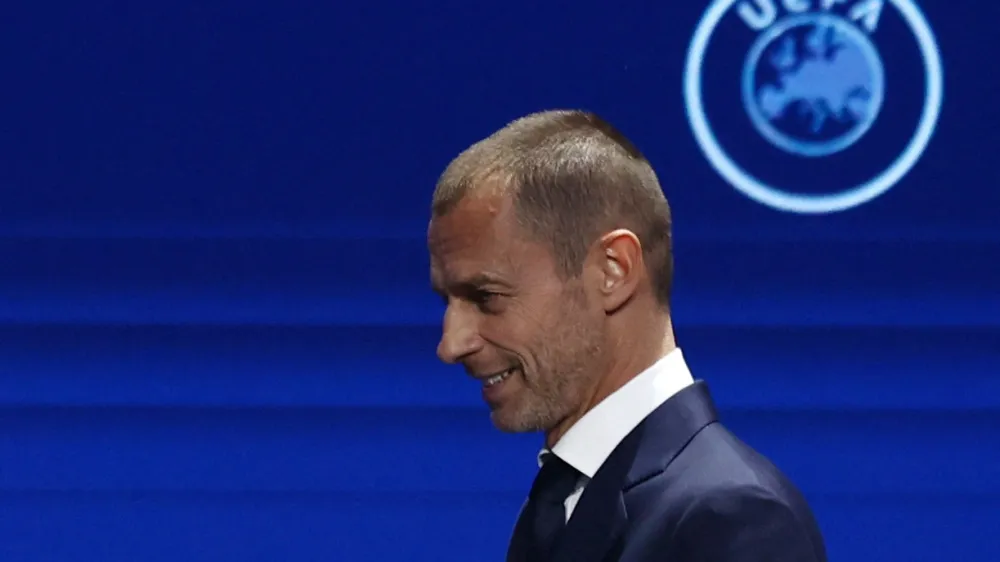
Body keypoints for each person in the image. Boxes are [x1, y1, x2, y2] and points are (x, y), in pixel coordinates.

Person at [426, 109, 827, 562]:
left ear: (612, 271)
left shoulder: (732, 519)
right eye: (447, 301)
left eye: (486, 296)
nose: (451, 344)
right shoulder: (560, 505)